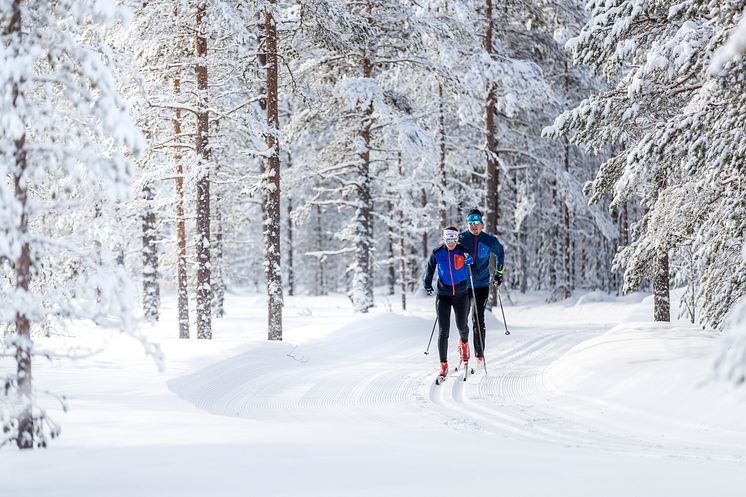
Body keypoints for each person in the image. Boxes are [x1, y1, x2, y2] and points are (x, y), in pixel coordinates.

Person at [423, 227, 474, 382]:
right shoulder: (437, 252)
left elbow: (474, 269)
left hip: (461, 295)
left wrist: (471, 262)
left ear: (457, 239)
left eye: (453, 239)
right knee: (443, 331)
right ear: (444, 239)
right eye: (448, 240)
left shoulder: (463, 251)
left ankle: (464, 346)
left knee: (462, 326)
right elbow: (430, 270)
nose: (451, 243)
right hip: (443, 296)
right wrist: (427, 284)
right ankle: (443, 365)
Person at [459, 208, 505, 369]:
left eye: (476, 222)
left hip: (481, 284)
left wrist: (499, 273)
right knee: (462, 320)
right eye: (470, 222)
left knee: (477, 318)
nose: (473, 225)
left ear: (481, 224)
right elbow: (449, 252)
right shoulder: (462, 238)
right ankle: (463, 348)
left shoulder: (489, 240)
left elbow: (500, 252)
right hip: (463, 284)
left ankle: (479, 356)